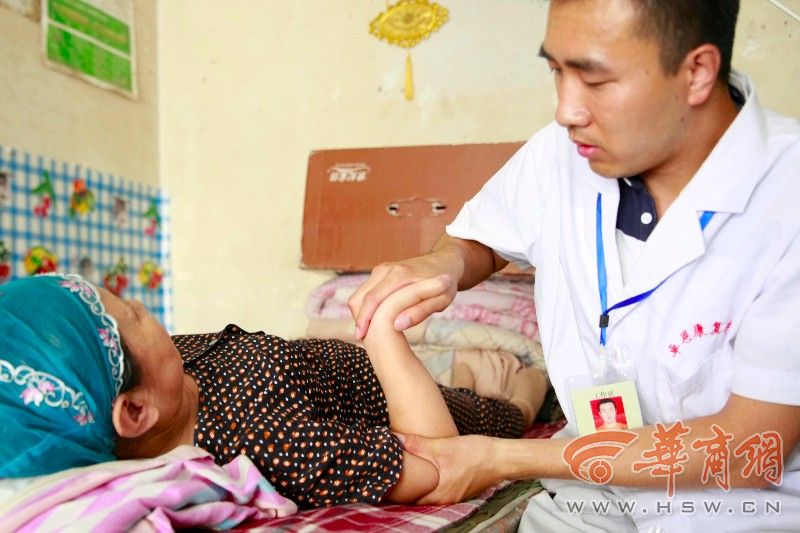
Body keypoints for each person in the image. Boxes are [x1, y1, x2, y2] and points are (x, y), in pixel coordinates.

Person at [349, 0, 800, 529]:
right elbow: (481, 240)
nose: (566, 110)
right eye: (556, 71)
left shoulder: (786, 197)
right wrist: (443, 263)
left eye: (596, 80)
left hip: (739, 510)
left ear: (697, 72)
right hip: (590, 498)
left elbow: (749, 446)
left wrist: (498, 458)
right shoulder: (562, 154)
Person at [0, 273, 546, 509]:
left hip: (354, 365)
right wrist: (383, 335)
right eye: (135, 316)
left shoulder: (173, 375)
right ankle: (514, 395)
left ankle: (463, 374)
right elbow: (436, 464)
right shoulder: (254, 442)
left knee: (456, 376)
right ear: (137, 411)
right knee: (507, 408)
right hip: (402, 400)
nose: (147, 310)